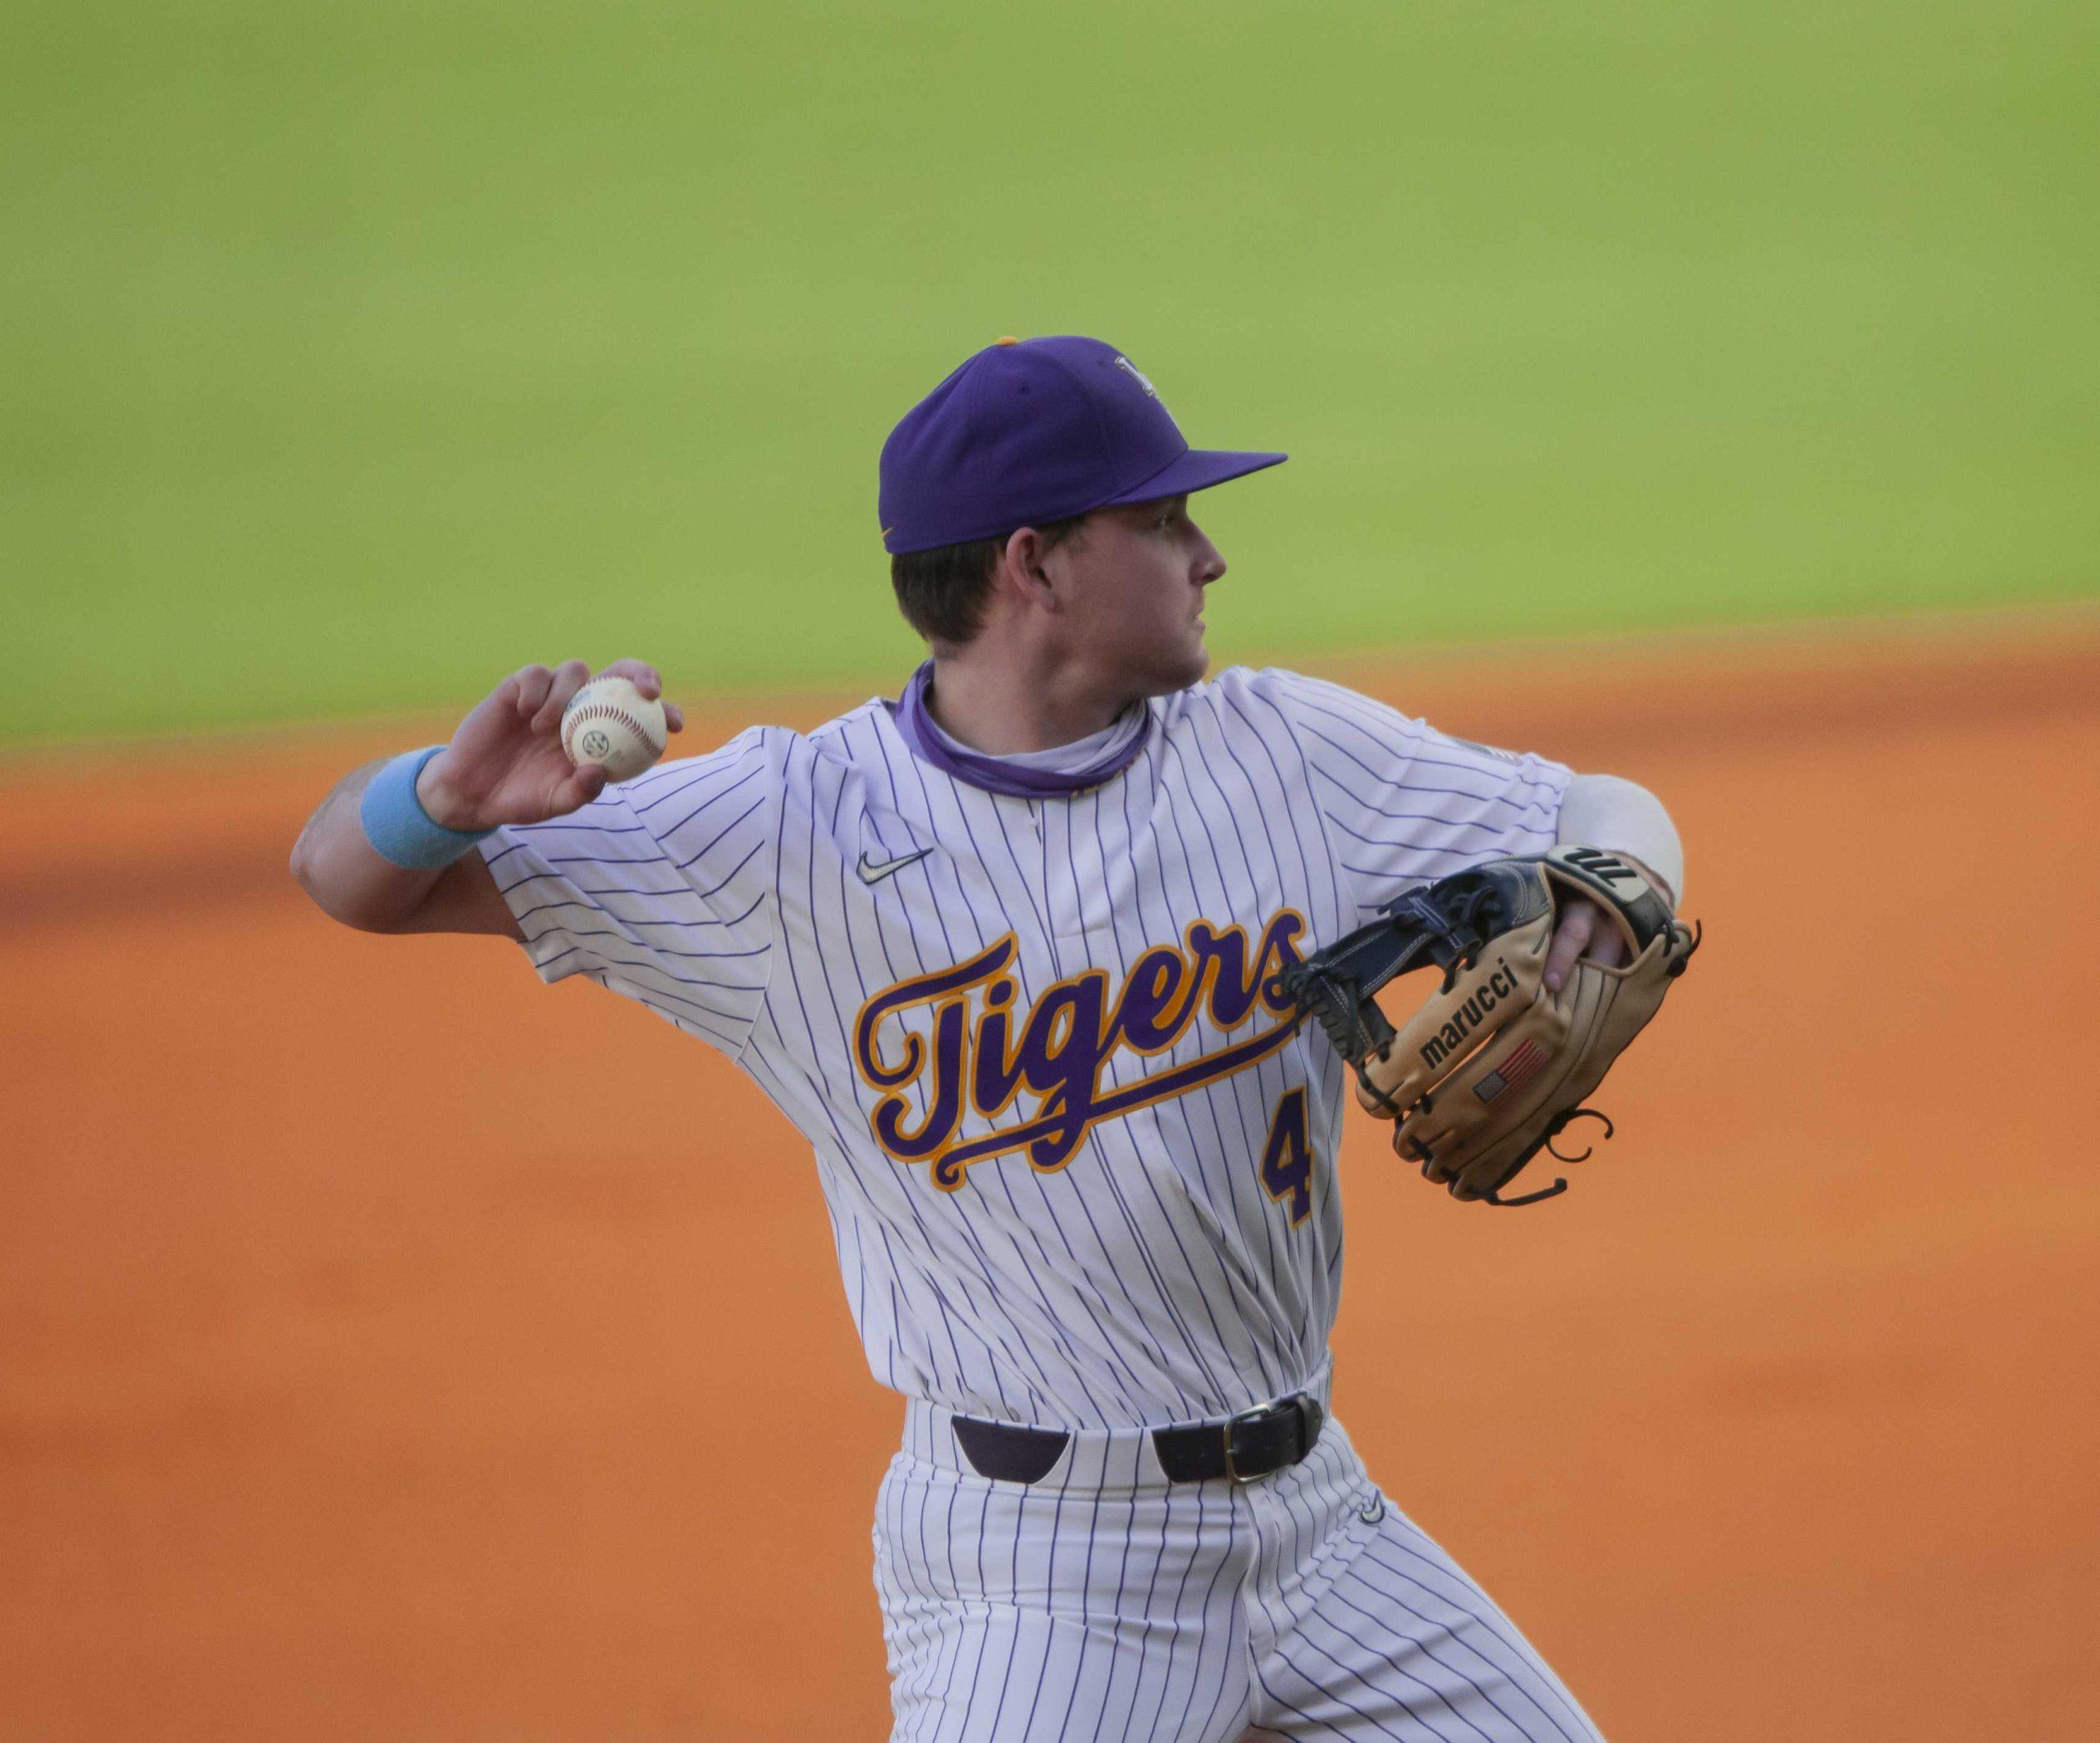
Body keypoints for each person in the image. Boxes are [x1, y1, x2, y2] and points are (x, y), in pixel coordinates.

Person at [292, 335, 1682, 1741]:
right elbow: (343, 874)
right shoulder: (784, 831)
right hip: (1050, 1580)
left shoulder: (1289, 753)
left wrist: (1619, 906)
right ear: (1037, 564)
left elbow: (1601, 807)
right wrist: (442, 797)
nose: (1208, 557)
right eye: (1163, 520)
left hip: (1324, 1528)